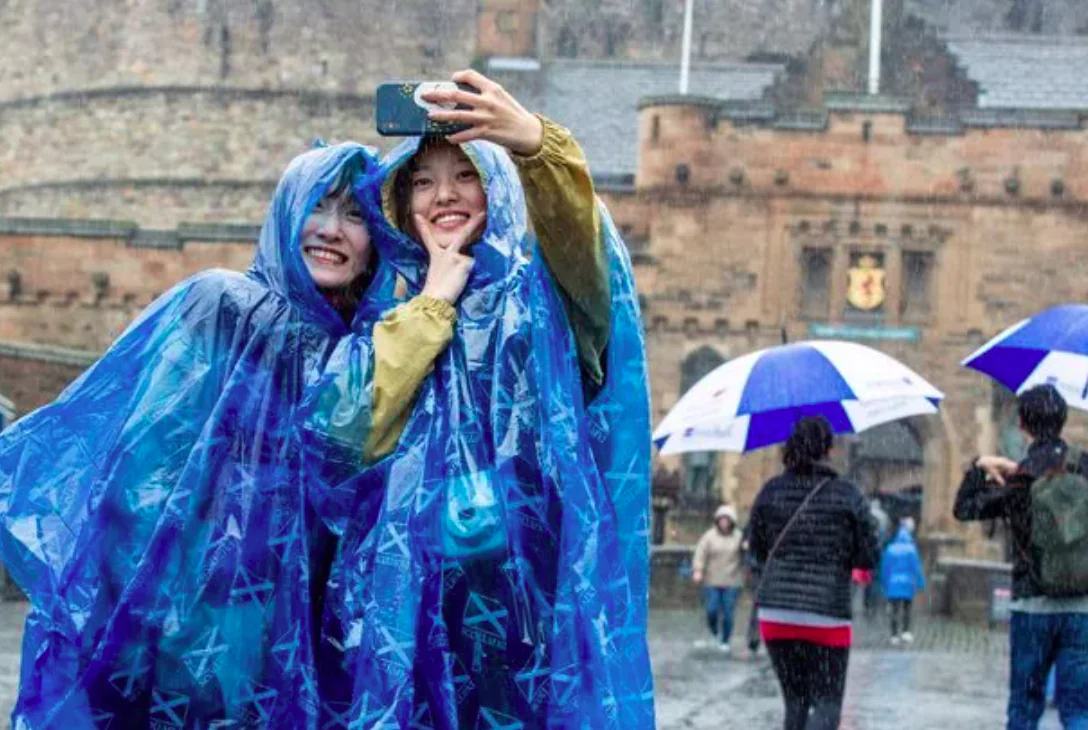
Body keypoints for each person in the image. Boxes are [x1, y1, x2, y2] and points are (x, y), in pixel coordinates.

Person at [0, 141, 479, 726]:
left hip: (281, 638)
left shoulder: (359, 346)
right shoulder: (220, 305)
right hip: (175, 627)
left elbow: (347, 447)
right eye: (317, 206)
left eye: (355, 215)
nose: (332, 230)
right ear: (285, 211)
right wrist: (163, 607)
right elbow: (140, 466)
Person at [317, 70, 653, 728]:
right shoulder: (388, 307)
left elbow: (581, 243)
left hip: (527, 604)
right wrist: (431, 305)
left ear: (495, 184)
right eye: (422, 179)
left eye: (464, 174)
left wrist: (535, 145)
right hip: (403, 608)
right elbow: (340, 434)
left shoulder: (547, 298)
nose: (443, 195)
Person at [954, 384, 1088, 730]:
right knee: (1078, 712)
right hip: (1080, 607)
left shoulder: (1020, 478)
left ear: (1022, 425)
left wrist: (980, 466)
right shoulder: (1083, 467)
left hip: (1031, 604)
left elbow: (964, 509)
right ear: (1062, 421)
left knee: (1024, 709)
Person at [748, 416, 878, 730]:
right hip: (827, 613)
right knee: (826, 703)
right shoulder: (847, 495)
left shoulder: (770, 491)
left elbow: (758, 551)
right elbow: (869, 556)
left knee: (795, 704)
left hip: (776, 613)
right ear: (829, 449)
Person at [692, 505, 745, 653]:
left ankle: (725, 639)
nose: (724, 523)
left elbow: (747, 555)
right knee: (712, 610)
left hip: (732, 581)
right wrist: (698, 570)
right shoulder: (709, 536)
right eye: (721, 520)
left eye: (727, 520)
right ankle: (715, 632)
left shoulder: (739, 537)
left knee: (728, 612)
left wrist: (746, 548)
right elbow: (700, 553)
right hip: (712, 580)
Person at [879, 516, 926, 645]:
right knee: (907, 608)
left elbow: (885, 569)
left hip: (893, 584)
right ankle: (905, 631)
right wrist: (921, 584)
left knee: (894, 610)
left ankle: (894, 634)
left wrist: (884, 584)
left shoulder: (890, 549)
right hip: (907, 584)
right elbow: (916, 568)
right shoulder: (911, 550)